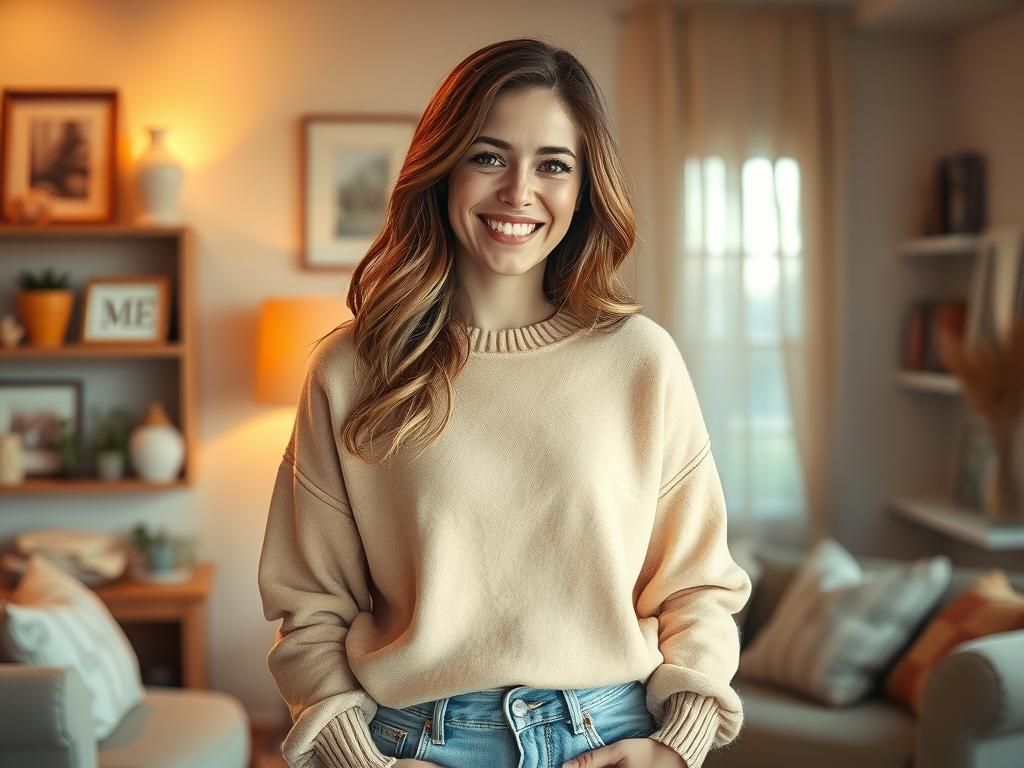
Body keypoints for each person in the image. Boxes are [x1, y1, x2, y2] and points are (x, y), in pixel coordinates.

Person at [258, 37, 751, 768]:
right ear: (444, 168)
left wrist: (677, 747)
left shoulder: (641, 360)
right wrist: (356, 760)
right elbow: (308, 607)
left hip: (610, 738)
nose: (519, 191)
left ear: (584, 188)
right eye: (488, 156)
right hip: (412, 746)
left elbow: (699, 585)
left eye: (553, 164)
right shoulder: (352, 368)